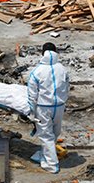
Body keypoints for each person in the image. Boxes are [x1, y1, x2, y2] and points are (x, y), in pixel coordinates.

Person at [27, 43, 69, 174]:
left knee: (46, 135)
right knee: (55, 132)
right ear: (56, 52)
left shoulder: (37, 71)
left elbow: (32, 93)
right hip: (59, 106)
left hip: (44, 107)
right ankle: (46, 154)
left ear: (42, 53)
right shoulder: (62, 69)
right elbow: (67, 87)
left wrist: (31, 110)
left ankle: (51, 165)